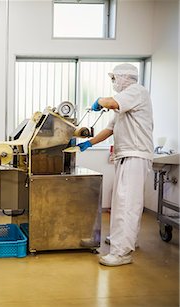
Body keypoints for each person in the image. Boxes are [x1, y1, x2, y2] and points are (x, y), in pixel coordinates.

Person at [77, 63, 153, 266]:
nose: (113, 83)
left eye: (114, 78)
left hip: (135, 154)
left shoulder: (135, 92)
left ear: (124, 78)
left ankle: (122, 252)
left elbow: (109, 102)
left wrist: (99, 101)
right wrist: (86, 144)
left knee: (126, 203)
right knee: (124, 201)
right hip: (126, 154)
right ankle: (126, 239)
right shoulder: (125, 102)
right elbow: (109, 129)